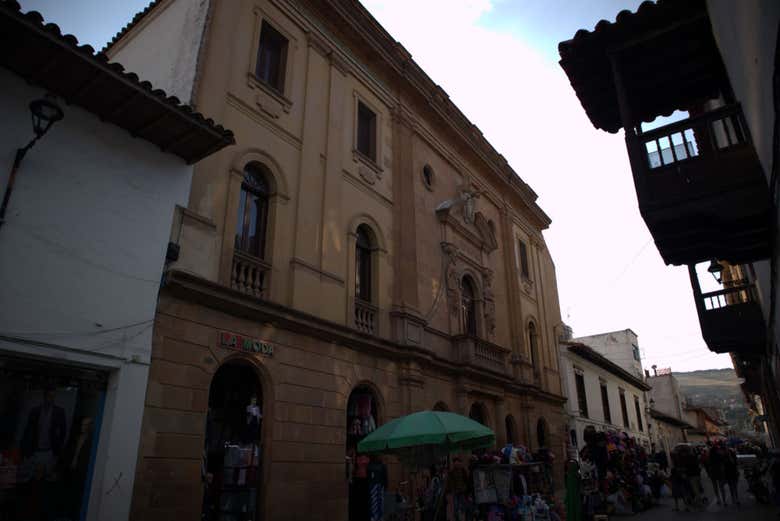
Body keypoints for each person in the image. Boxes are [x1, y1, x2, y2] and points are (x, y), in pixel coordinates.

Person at [20, 386, 67, 476]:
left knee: (45, 476)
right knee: (31, 475)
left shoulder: (59, 411)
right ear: (44, 397)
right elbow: (27, 430)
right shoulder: (35, 411)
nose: (51, 399)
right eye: (49, 396)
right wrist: (24, 449)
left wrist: (58, 449)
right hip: (34, 450)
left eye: (53, 397)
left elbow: (63, 432)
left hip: (49, 451)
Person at [448, 457, 470, 521]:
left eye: (458, 462)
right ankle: (457, 518)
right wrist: (452, 489)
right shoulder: (452, 472)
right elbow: (451, 482)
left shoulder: (463, 470)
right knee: (456, 507)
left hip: (462, 491)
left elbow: (466, 480)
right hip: (455, 491)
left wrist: (465, 487)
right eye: (455, 462)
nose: (457, 464)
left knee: (463, 506)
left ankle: (464, 517)